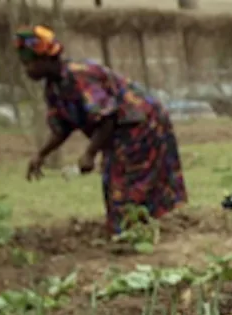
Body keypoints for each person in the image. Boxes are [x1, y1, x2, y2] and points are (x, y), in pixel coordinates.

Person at [14, 25, 187, 235]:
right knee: (113, 179)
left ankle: (133, 231)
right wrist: (41, 155)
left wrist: (89, 153)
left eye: (30, 63)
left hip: (140, 123)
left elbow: (108, 116)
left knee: (125, 179)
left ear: (47, 59)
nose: (27, 70)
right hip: (119, 129)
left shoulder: (79, 76)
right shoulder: (55, 88)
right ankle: (131, 229)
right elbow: (62, 128)